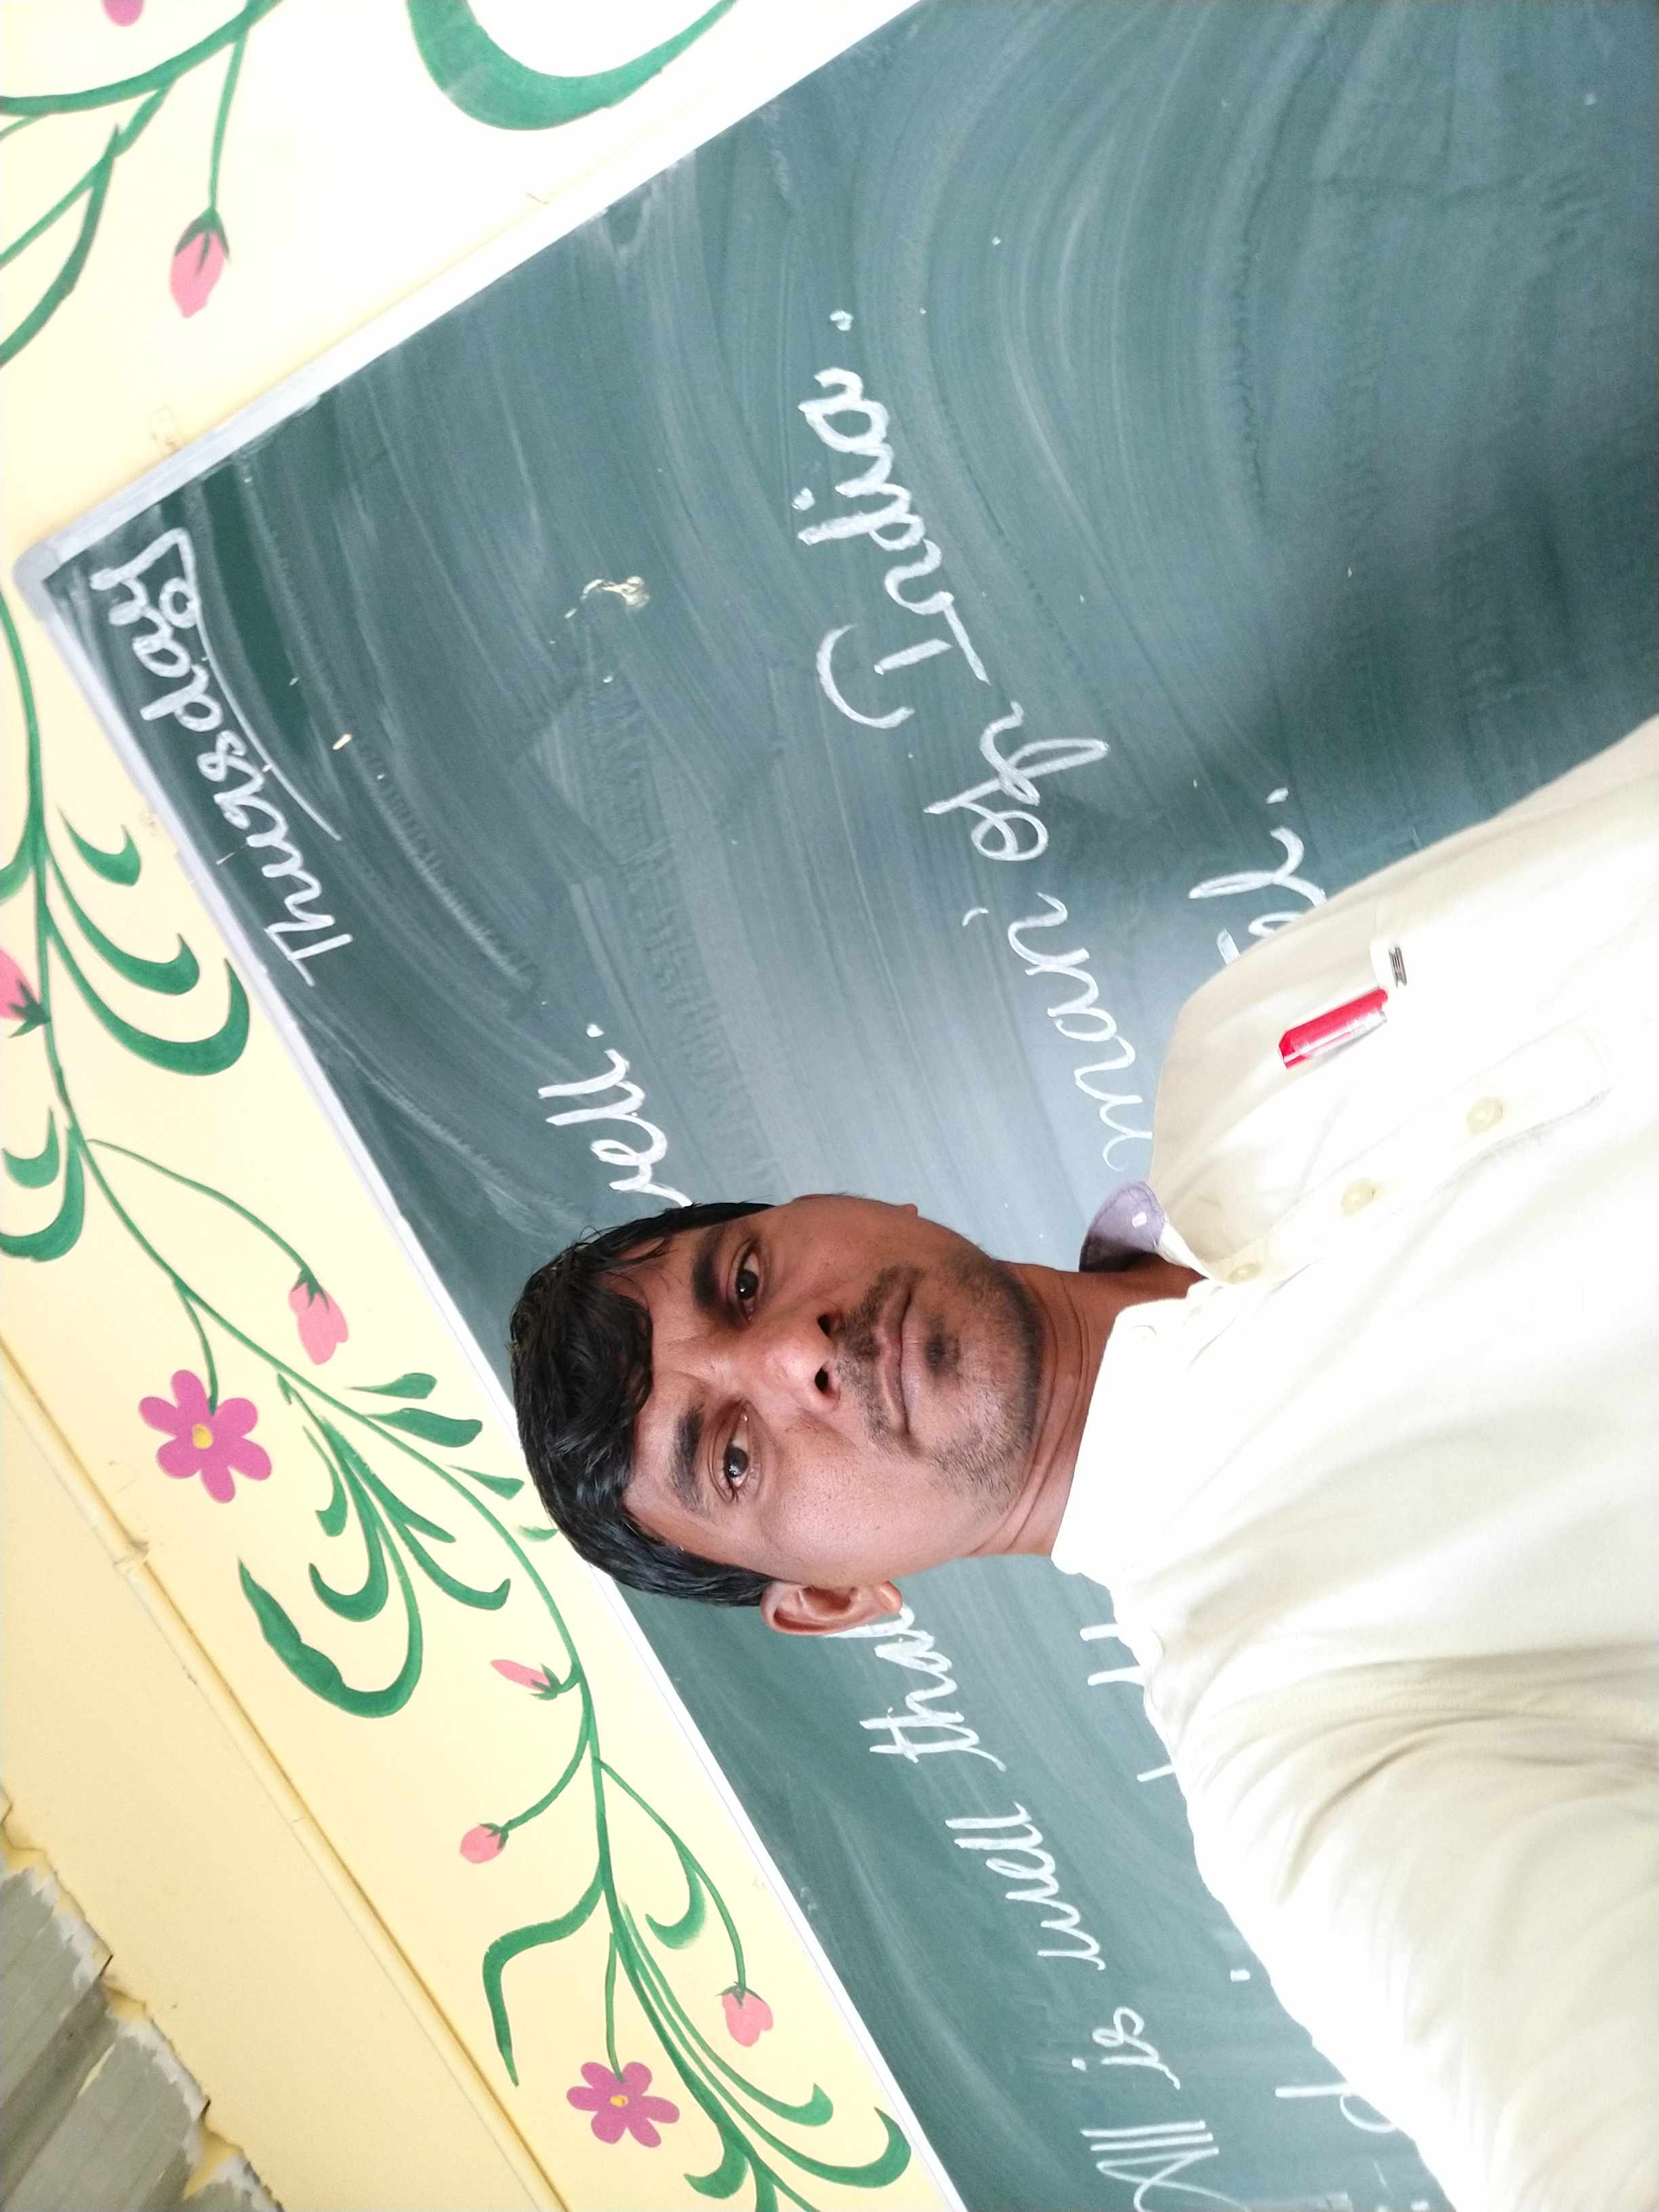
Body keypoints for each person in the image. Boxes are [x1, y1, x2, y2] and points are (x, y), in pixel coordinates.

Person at [510, 720, 1659, 2212]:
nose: (798, 1352)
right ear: (833, 1598)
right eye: (731, 1458)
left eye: (742, 1279)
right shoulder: (1308, 1742)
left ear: (844, 1203)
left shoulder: (1239, 1042)